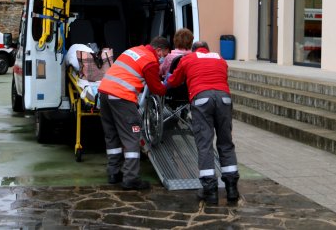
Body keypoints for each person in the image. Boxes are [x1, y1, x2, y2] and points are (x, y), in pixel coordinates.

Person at [166, 41, 239, 205]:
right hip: (224, 98)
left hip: (201, 99)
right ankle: (232, 189)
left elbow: (174, 80)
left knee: (205, 144)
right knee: (226, 142)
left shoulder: (188, 58)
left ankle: (210, 190)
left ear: (194, 50)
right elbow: (222, 76)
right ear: (208, 49)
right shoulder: (220, 58)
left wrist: (164, 83)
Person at [98, 36, 170, 190]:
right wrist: (169, 82)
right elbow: (157, 89)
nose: (162, 59)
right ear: (158, 50)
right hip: (121, 97)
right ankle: (131, 178)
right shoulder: (150, 61)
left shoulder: (134, 50)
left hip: (104, 93)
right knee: (131, 137)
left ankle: (113, 173)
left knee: (112, 136)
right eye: (163, 55)